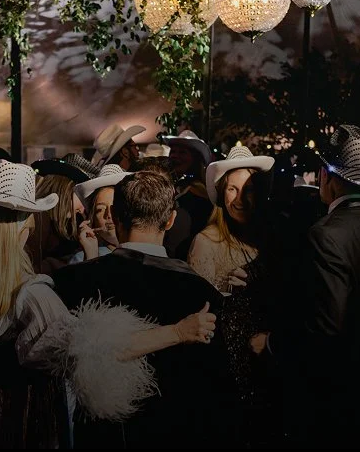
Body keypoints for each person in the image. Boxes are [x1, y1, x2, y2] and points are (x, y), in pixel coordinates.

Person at [0, 159, 217, 449]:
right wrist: (177, 332)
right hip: (17, 422)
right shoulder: (31, 294)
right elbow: (94, 349)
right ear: (25, 228)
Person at [250, 125, 360, 448]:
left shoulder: (326, 234)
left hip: (342, 395)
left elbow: (327, 328)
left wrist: (272, 343)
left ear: (326, 176)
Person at [53, 166, 239, 449]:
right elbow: (217, 391)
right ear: (170, 220)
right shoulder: (201, 295)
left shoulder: (72, 281)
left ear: (114, 215)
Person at [187, 145, 279, 445]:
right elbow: (196, 315)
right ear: (221, 194)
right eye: (232, 189)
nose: (239, 199)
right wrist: (223, 288)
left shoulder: (270, 240)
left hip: (266, 366)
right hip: (224, 368)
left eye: (248, 190)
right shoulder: (206, 242)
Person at [26, 159, 96, 275]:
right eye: (82, 198)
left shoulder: (51, 223)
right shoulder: (37, 220)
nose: (82, 209)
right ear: (64, 190)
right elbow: (30, 270)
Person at [159, 129, 215, 259]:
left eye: (182, 152)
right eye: (173, 151)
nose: (175, 156)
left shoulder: (201, 193)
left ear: (195, 159)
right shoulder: (174, 186)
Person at [75, 163, 134, 257]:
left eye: (115, 206)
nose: (109, 215)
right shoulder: (81, 258)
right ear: (92, 219)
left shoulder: (146, 254)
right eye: (100, 209)